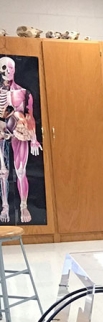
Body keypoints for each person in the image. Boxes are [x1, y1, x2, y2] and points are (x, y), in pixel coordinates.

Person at [0, 56, 42, 224]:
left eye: (10, 68)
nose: (8, 71)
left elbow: (29, 116)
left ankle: (24, 205)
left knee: (21, 171)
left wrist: (34, 139)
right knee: (2, 173)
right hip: (1, 134)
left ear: (15, 69)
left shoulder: (24, 93)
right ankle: (5, 206)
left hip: (19, 133)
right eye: (5, 68)